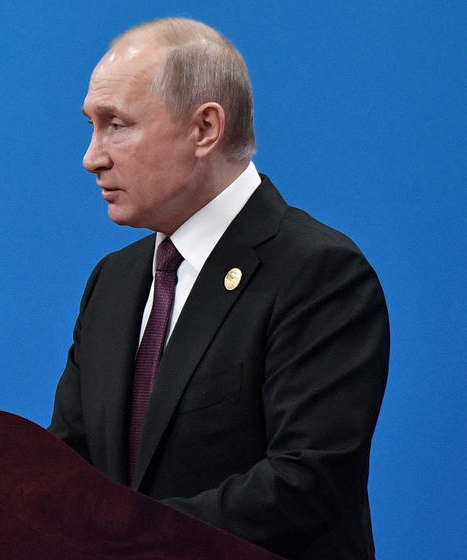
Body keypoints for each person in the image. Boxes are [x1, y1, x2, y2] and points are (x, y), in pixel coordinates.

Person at [49, 17, 389, 560]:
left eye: (116, 125)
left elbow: (305, 484)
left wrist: (125, 539)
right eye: (92, 126)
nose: (92, 157)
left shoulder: (319, 271)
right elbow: (70, 467)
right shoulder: (113, 281)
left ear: (205, 129)